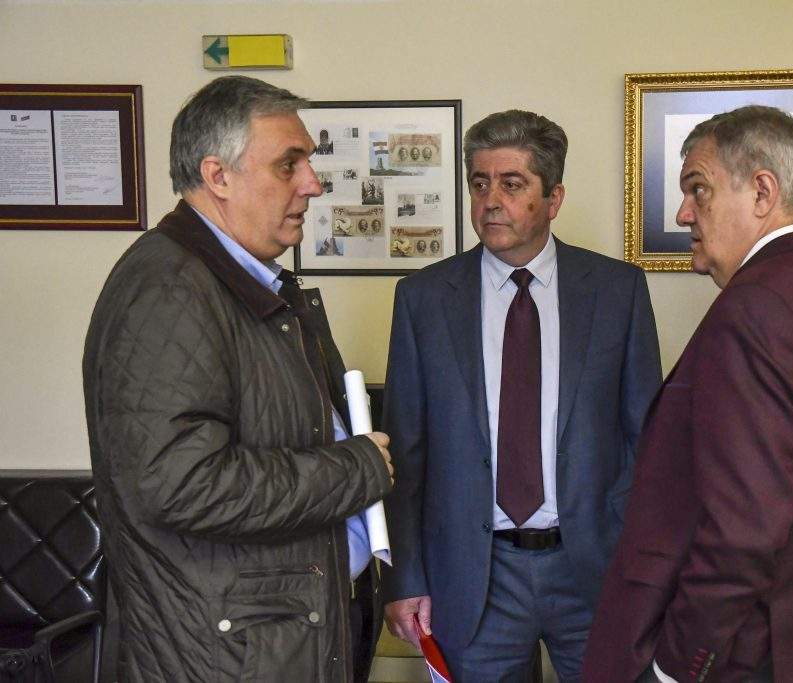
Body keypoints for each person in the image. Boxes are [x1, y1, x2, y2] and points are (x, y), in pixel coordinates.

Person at [82, 75, 393, 683]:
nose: (313, 184)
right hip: (227, 657)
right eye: (288, 165)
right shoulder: (171, 289)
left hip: (266, 642)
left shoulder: (235, 280)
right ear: (218, 176)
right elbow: (180, 483)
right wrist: (356, 469)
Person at [582, 105, 793, 683]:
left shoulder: (756, 310)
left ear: (763, 192)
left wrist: (675, 665)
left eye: (698, 189)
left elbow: (743, 534)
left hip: (747, 660)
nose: (683, 212)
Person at [381, 109, 662, 681]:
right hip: (475, 574)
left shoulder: (617, 291)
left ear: (553, 198)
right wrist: (404, 577)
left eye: (512, 184)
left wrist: (644, 566)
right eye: (479, 184)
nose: (491, 201)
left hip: (593, 569)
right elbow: (406, 454)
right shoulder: (423, 299)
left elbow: (647, 440)